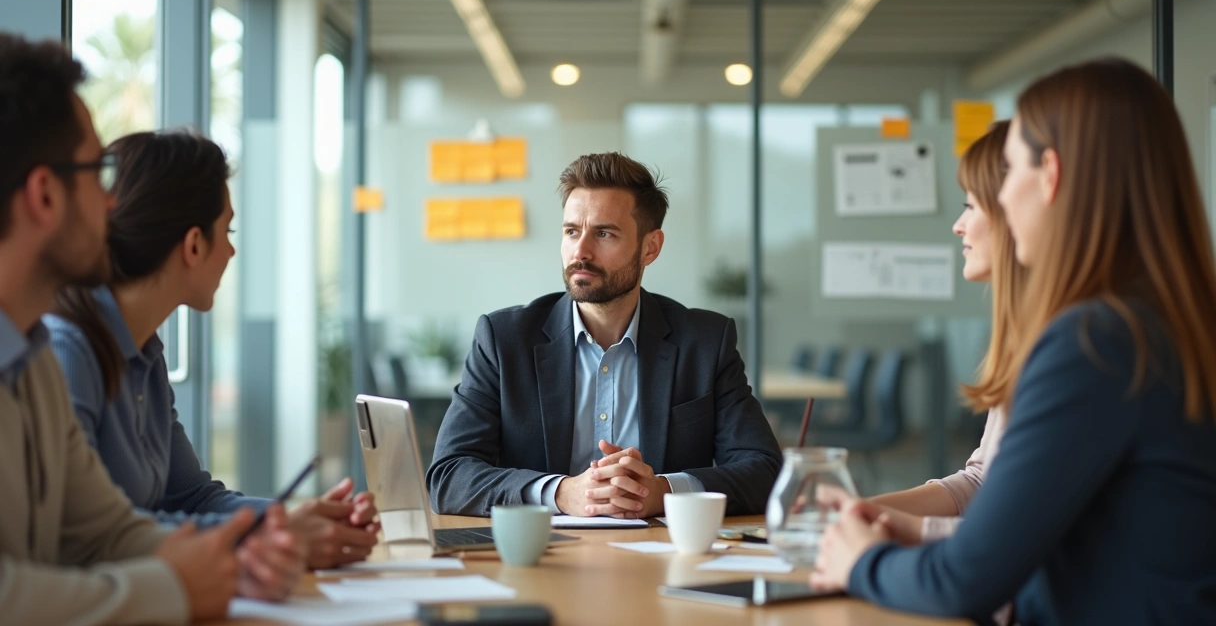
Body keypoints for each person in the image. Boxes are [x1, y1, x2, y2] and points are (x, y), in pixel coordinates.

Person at [810, 57, 1216, 625]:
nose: (1000, 199)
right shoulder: (1164, 324)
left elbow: (963, 583)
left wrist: (861, 561)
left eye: (1011, 168)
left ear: (1049, 175)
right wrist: (899, 530)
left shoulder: (1093, 341)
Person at [0, 32, 300, 624]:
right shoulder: (58, 348)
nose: (113, 206)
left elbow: (101, 531)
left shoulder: (29, 355)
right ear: (44, 195)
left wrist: (237, 555)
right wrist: (177, 586)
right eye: (96, 174)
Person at [45, 130, 381, 571]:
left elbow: (191, 496)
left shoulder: (145, 352)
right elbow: (95, 535)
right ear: (194, 244)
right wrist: (262, 534)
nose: (231, 249)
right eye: (227, 230)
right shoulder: (67, 351)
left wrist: (283, 518)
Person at [427, 152, 782, 518]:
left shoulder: (705, 342)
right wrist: (560, 492)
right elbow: (449, 476)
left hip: (663, 559)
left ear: (650, 247)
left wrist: (663, 491)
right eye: (571, 232)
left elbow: (764, 471)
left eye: (604, 233)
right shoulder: (503, 340)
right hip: (542, 555)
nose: (580, 251)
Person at [820, 121, 1023, 545]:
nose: (958, 225)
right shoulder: (1024, 335)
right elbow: (983, 481)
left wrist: (892, 531)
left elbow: (1025, 534)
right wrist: (869, 511)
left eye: (971, 206)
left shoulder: (1073, 344)